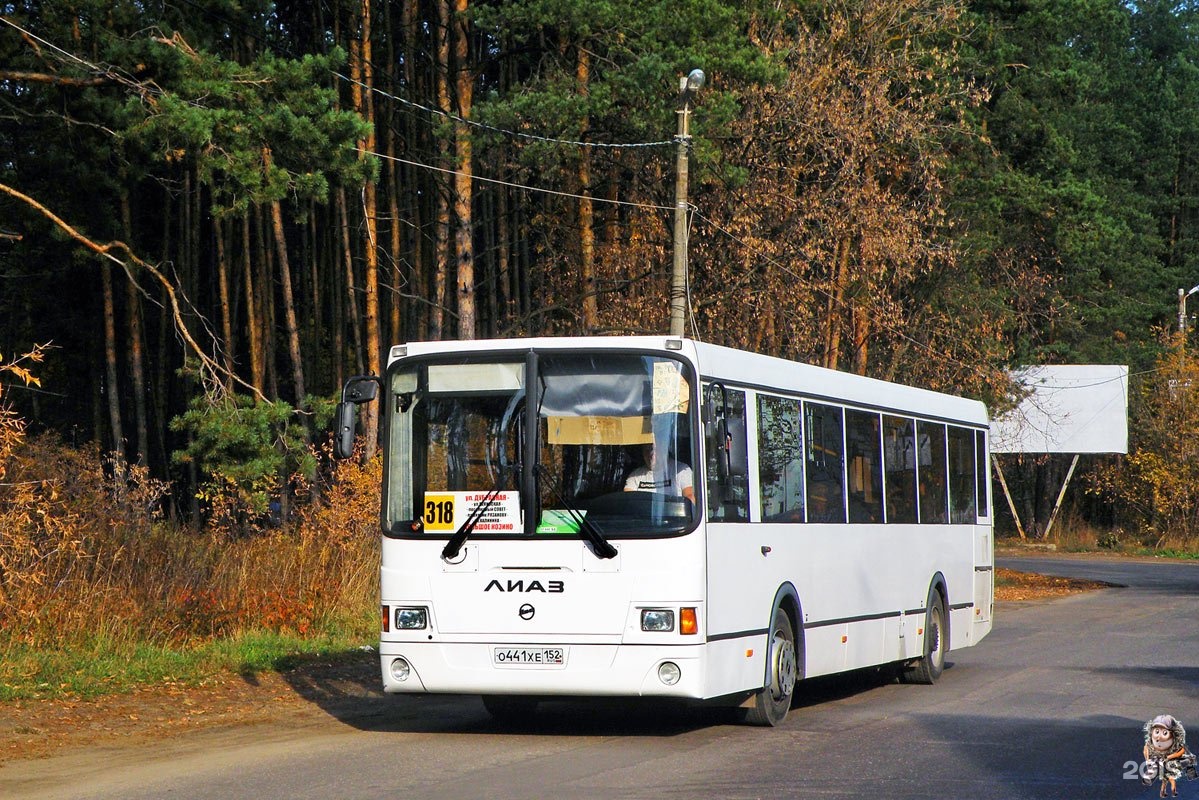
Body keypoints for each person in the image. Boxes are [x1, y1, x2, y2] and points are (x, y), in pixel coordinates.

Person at [624, 442, 695, 503]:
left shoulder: (681, 470)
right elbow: (628, 502)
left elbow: (690, 498)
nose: (650, 454)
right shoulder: (634, 476)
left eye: (654, 449)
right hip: (643, 518)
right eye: (646, 450)